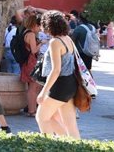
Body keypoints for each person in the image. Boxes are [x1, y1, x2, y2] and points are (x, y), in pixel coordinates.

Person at [35, 10, 80, 138]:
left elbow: (56, 70)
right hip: (71, 83)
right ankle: (71, 144)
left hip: (59, 85)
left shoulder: (55, 42)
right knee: (70, 123)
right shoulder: (68, 39)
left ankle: (51, 146)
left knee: (41, 117)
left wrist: (43, 92)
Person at [21, 14, 42, 117]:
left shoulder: (25, 32)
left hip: (28, 62)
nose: (40, 28)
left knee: (34, 86)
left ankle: (32, 109)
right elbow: (33, 50)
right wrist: (41, 43)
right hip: (31, 62)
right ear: (34, 25)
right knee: (33, 87)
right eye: (39, 26)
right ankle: (32, 110)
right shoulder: (31, 35)